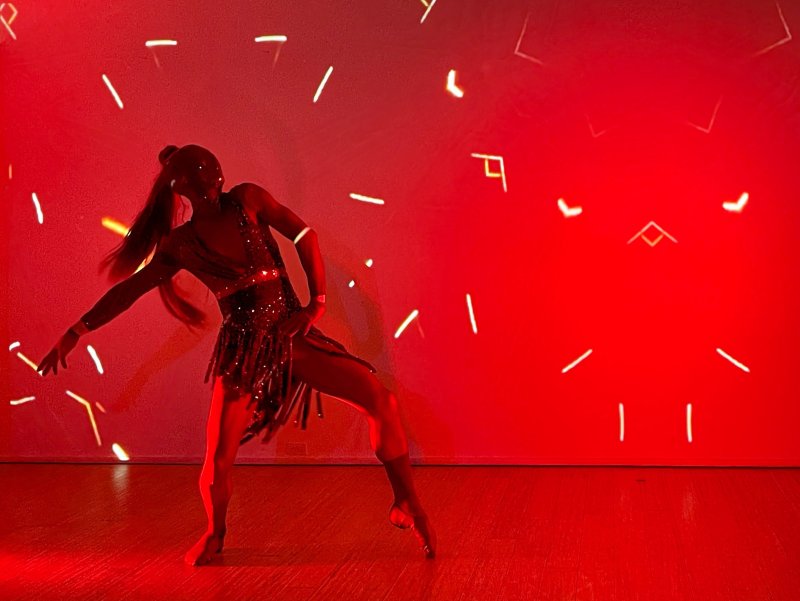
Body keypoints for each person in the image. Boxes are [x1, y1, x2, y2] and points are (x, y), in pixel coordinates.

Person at [36, 144, 436, 565]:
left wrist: (315, 304)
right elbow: (128, 291)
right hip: (242, 355)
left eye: (213, 169)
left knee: (381, 400)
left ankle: (405, 499)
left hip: (290, 337)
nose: (211, 178)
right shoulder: (181, 244)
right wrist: (76, 331)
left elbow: (305, 235)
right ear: (181, 187)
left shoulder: (248, 199)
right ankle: (215, 534)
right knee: (219, 456)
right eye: (200, 175)